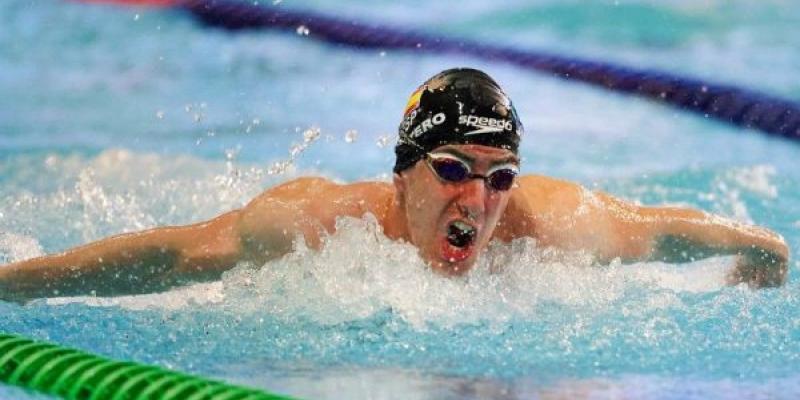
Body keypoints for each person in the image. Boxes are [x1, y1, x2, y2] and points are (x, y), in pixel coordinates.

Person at [0, 68, 789, 303]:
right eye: (452, 171)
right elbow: (176, 255)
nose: (476, 204)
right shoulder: (324, 227)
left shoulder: (549, 225)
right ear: (403, 172)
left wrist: (764, 252)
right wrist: (14, 288)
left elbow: (662, 226)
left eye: (498, 179)